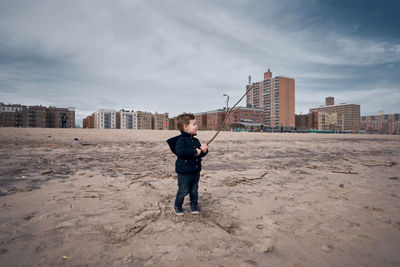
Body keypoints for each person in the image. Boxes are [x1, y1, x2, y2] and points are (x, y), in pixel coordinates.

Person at [167, 113, 208, 216]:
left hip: (195, 171)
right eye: (194, 124)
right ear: (185, 127)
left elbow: (200, 154)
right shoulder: (181, 140)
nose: (197, 126)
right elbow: (182, 152)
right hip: (184, 172)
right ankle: (177, 205)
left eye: (196, 124)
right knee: (183, 190)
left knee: (194, 190)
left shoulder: (195, 140)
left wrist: (204, 150)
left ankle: (194, 205)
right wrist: (195, 152)